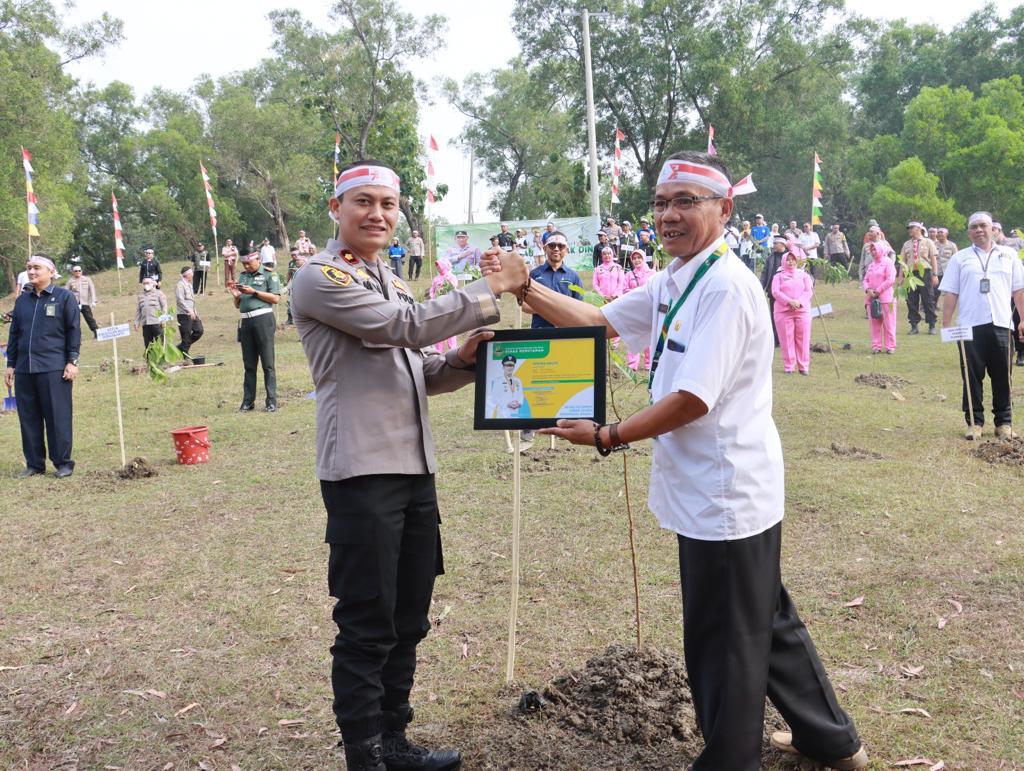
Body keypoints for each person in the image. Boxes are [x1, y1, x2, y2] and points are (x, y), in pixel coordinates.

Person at [484, 150, 866, 771]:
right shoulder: (677, 276)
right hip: (706, 484)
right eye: (661, 202)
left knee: (724, 639)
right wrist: (525, 287)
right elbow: (599, 321)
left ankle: (730, 761)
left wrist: (608, 434)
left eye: (686, 201)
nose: (668, 215)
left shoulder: (727, 287)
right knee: (765, 619)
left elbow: (692, 399)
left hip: (726, 490)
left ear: (725, 208)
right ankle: (832, 741)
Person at [289, 158, 527, 771]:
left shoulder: (390, 280)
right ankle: (365, 755)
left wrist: (464, 360)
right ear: (336, 209)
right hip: (362, 472)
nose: (377, 214)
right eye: (363, 201)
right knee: (368, 619)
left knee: (408, 615)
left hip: (414, 469)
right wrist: (490, 289)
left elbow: (418, 369)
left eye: (388, 204)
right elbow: (404, 328)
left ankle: (393, 741)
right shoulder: (320, 278)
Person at [940, 211, 1024, 440]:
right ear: (969, 232)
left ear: (992, 229)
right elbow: (951, 292)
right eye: (974, 227)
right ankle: (975, 423)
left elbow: (1019, 291)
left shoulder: (1009, 255)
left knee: (1003, 376)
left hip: (1002, 323)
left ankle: (1004, 423)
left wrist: (1023, 320)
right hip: (969, 325)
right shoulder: (960, 258)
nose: (979, 230)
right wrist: (946, 323)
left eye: (983, 225)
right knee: (971, 376)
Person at [4, 254, 80, 479]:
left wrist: (72, 361)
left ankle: (63, 463)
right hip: (24, 369)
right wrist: (10, 364)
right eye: (29, 267)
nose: (31, 271)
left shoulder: (64, 297)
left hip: (54, 368)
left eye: (36, 267)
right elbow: (14, 334)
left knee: (57, 417)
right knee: (28, 419)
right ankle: (34, 464)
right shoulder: (22, 301)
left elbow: (74, 331)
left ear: (51, 271)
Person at [230, 251, 280, 412]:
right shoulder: (243, 276)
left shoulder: (269, 275)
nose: (246, 266)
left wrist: (255, 292)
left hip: (263, 320)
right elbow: (238, 305)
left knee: (267, 363)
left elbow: (275, 298)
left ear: (258, 259)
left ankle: (271, 401)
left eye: (249, 263)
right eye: (244, 264)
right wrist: (236, 296)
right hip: (246, 321)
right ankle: (248, 401)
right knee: (249, 364)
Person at [771, 243, 813, 374]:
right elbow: (775, 292)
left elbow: (808, 291)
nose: (790, 262)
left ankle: (803, 366)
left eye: (793, 259)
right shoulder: (778, 276)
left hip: (802, 310)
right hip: (783, 311)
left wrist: (799, 302)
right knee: (786, 339)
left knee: (803, 338)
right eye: (788, 260)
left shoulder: (804, 275)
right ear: (784, 261)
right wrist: (789, 301)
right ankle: (789, 366)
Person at [900, 221, 939, 334]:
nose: (909, 230)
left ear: (918, 229)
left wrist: (935, 275)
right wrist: (901, 277)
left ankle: (931, 325)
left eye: (911, 228)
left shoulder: (928, 242)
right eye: (909, 228)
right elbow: (902, 262)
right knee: (911, 300)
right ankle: (914, 325)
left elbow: (933, 259)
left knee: (928, 299)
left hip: (925, 273)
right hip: (910, 273)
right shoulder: (906, 244)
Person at [862, 241, 897, 354]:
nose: (873, 252)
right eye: (871, 250)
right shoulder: (871, 265)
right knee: (874, 324)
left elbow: (891, 279)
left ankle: (890, 346)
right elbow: (865, 280)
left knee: (889, 323)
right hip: (872, 299)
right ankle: (876, 346)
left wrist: (878, 290)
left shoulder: (888, 262)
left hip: (887, 299)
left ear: (881, 250)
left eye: (875, 249)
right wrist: (868, 289)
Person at [623, 249, 654, 370]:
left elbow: (655, 289)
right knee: (633, 337)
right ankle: (632, 364)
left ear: (644, 258)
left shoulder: (652, 273)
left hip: (648, 309)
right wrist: (636, 292)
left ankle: (649, 363)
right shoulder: (629, 275)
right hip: (634, 309)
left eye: (639, 257)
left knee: (649, 337)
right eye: (634, 258)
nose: (637, 260)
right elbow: (624, 290)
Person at [428, 258, 459, 353]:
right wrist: (433, 297)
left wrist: (444, 290)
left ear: (444, 266)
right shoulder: (436, 278)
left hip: (449, 305)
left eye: (439, 266)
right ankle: (438, 350)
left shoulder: (451, 277)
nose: (438, 268)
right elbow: (432, 289)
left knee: (451, 327)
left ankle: (453, 348)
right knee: (438, 328)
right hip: (438, 306)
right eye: (437, 266)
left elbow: (453, 287)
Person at [175, 266, 204, 359]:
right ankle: (185, 354)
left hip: (193, 313)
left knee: (199, 330)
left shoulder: (190, 285)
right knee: (186, 335)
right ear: (187, 274)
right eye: (191, 273)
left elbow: (192, 301)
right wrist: (189, 310)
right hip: (184, 314)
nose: (193, 275)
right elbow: (180, 300)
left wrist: (194, 312)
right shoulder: (180, 285)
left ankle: (181, 347)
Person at [134, 277, 168, 351]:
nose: (146, 284)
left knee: (160, 344)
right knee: (148, 346)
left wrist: (163, 320)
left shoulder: (159, 293)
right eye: (144, 283)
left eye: (148, 283)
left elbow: (164, 306)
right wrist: (136, 322)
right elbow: (138, 310)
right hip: (146, 324)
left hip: (157, 323)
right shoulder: (140, 295)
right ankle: (150, 358)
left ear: (153, 284)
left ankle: (161, 358)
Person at [66, 265, 98, 339]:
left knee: (89, 318)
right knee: (74, 320)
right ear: (73, 272)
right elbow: (66, 291)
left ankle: (96, 332)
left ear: (81, 271)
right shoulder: (70, 281)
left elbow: (92, 290)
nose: (78, 272)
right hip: (74, 304)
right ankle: (76, 336)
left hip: (85, 303)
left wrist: (94, 301)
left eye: (79, 270)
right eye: (76, 271)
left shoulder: (87, 279)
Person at [934, 227, 957, 307]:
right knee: (935, 291)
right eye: (938, 232)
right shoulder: (933, 244)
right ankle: (933, 306)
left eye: (942, 232)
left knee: (948, 291)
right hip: (936, 272)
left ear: (946, 234)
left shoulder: (952, 245)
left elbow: (956, 258)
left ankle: (948, 306)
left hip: (947, 272)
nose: (940, 234)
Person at [285, 250, 308, 326]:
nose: (296, 261)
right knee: (290, 301)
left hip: (303, 289)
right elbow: (289, 273)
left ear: (304, 261)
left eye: (298, 260)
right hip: (293, 285)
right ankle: (290, 319)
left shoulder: (308, 267)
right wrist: (286, 283)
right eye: (292, 255)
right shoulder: (291, 263)